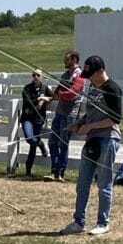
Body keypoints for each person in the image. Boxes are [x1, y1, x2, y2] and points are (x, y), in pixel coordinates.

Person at [61, 55, 123, 236]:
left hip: (108, 139)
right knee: (82, 183)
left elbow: (114, 119)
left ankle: (103, 222)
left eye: (92, 75)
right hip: (92, 140)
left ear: (101, 71)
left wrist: (90, 127)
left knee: (104, 183)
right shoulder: (92, 87)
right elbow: (90, 114)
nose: (90, 79)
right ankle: (78, 221)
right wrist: (79, 124)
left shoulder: (112, 88)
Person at [44, 50, 84, 181]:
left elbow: (72, 94)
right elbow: (56, 93)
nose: (64, 62)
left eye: (67, 59)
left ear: (74, 60)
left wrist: (59, 95)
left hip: (70, 114)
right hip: (60, 112)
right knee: (52, 142)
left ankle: (60, 172)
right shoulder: (65, 74)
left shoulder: (79, 75)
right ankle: (54, 170)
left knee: (63, 143)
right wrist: (49, 98)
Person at [19, 69, 52, 176]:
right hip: (27, 117)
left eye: (38, 75)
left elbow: (53, 97)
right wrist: (39, 99)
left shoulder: (45, 88)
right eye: (34, 75)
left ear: (42, 77)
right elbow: (27, 102)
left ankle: (28, 170)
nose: (36, 77)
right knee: (30, 138)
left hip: (38, 118)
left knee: (32, 146)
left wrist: (44, 99)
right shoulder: (27, 88)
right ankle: (41, 144)